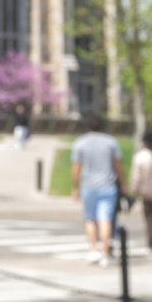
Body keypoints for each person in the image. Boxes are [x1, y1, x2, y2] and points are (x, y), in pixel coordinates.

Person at [72, 114, 125, 267]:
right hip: (108, 185)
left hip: (88, 186)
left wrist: (74, 187)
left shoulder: (80, 143)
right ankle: (105, 253)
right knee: (105, 219)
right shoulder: (111, 142)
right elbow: (118, 166)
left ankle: (93, 249)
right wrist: (123, 184)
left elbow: (76, 167)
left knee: (90, 218)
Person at [130, 132, 152, 249]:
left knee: (149, 220)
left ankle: (150, 244)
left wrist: (133, 192)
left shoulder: (141, 156)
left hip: (147, 194)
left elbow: (136, 178)